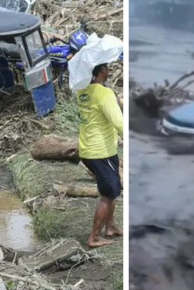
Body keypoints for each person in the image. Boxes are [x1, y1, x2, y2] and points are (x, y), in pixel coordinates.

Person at [77, 63, 123, 248]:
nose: (109, 69)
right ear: (102, 71)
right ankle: (93, 238)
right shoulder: (104, 94)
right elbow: (118, 121)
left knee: (112, 190)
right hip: (100, 152)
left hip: (89, 149)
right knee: (108, 193)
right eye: (106, 66)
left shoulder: (83, 91)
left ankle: (110, 227)